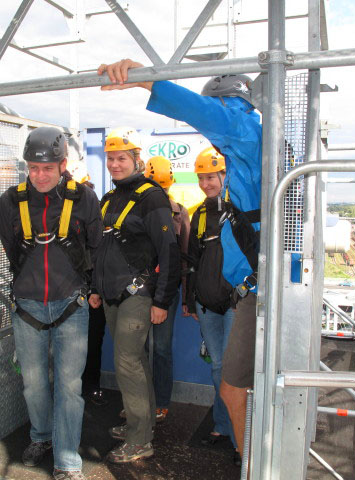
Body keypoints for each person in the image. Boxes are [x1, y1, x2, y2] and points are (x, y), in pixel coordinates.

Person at [98, 60, 261, 466]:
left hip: (256, 292)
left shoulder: (244, 132)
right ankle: (251, 459)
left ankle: (252, 464)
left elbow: (201, 112)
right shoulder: (254, 150)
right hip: (248, 289)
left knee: (233, 388)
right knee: (235, 388)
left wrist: (145, 78)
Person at [0, 127, 102, 480]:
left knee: (70, 386)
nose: (40, 175)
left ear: (62, 165)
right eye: (33, 168)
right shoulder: (11, 202)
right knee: (34, 383)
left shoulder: (84, 198)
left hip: (71, 304)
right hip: (28, 306)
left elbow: (96, 248)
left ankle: (68, 460)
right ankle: (41, 436)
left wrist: (90, 289)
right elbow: (13, 251)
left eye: (47, 168)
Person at [88, 127, 180, 463]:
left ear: (136, 160)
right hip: (112, 293)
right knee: (135, 361)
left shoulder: (151, 197)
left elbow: (169, 251)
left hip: (139, 295)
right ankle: (140, 423)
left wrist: (161, 301)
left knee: (126, 362)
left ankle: (141, 439)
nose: (115, 164)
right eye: (110, 158)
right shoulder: (110, 199)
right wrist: (96, 289)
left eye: (121, 158)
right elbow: (99, 247)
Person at [185, 147, 238, 460]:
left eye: (212, 177)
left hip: (233, 303)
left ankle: (237, 434)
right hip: (207, 304)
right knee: (218, 368)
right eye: (202, 178)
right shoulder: (199, 214)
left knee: (230, 370)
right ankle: (223, 425)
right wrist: (190, 300)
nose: (207, 184)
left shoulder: (237, 210)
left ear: (224, 176)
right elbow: (192, 260)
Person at [144, 155, 190, 422]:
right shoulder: (137, 209)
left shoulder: (179, 212)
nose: (160, 192)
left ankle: (161, 401)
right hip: (138, 290)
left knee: (161, 348)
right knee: (137, 349)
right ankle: (140, 402)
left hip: (167, 291)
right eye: (155, 186)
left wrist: (187, 296)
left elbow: (184, 257)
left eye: (163, 186)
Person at [66, 159, 108, 407]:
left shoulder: (95, 209)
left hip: (91, 286)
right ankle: (76, 388)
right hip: (68, 287)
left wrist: (95, 287)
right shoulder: (59, 212)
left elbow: (99, 250)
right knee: (72, 343)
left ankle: (90, 386)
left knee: (92, 339)